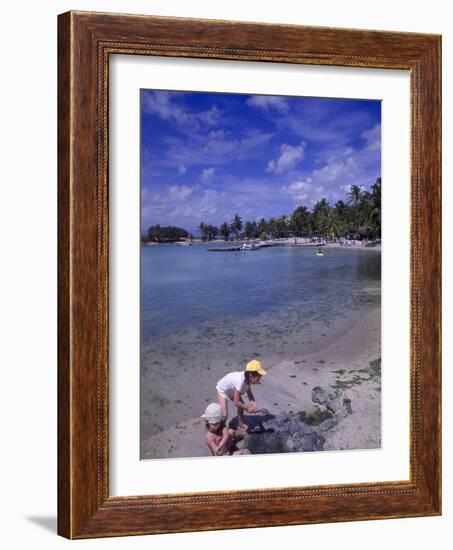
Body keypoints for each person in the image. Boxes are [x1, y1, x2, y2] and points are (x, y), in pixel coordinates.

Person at [215, 359, 267, 431]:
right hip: (223, 390)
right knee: (225, 415)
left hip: (232, 390)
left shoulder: (247, 379)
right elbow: (236, 402)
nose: (259, 380)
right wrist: (247, 408)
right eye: (258, 378)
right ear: (251, 375)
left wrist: (253, 403)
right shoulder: (240, 382)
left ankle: (241, 424)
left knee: (241, 406)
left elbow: (249, 393)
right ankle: (218, 430)